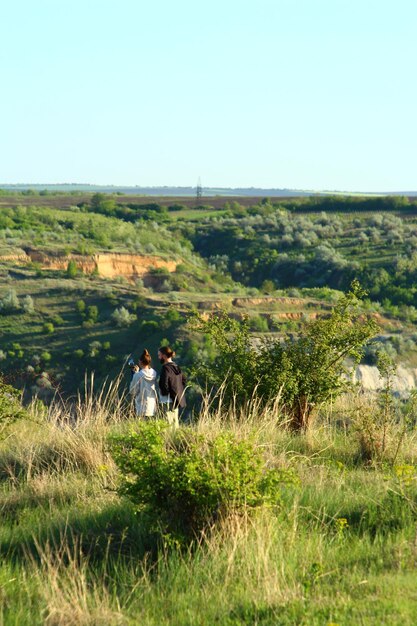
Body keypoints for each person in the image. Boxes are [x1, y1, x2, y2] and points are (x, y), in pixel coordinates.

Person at [158, 345, 186, 427]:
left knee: (168, 424)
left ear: (164, 356)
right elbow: (183, 380)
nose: (159, 357)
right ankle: (175, 439)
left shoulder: (165, 368)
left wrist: (165, 393)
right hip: (176, 399)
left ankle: (169, 439)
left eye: (159, 355)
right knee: (175, 423)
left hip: (167, 400)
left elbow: (164, 383)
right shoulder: (177, 367)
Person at [129, 349, 158, 418]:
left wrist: (134, 374)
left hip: (141, 407)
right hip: (152, 406)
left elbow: (132, 391)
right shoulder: (154, 373)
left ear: (140, 362)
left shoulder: (138, 375)